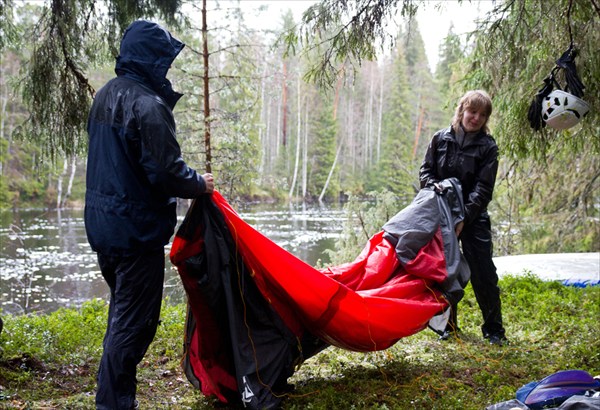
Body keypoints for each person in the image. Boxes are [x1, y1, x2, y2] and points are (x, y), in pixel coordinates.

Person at [84, 20, 215, 409]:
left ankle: (113, 398)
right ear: (151, 60)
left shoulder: (105, 95)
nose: (167, 68)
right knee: (135, 325)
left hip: (105, 227)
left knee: (123, 316)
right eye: (163, 59)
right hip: (135, 232)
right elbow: (165, 171)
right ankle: (113, 404)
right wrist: (200, 184)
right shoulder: (148, 105)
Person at [419, 90, 508, 346]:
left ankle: (494, 331)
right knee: (444, 272)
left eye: (482, 114)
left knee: (484, 274)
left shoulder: (488, 147)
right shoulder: (440, 139)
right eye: (472, 111)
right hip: (442, 216)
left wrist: (463, 218)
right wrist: (435, 190)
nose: (476, 118)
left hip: (474, 217)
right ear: (462, 110)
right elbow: (426, 172)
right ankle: (447, 327)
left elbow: (483, 189)